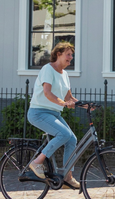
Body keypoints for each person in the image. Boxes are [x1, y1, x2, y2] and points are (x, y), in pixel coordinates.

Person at [25, 42, 80, 190]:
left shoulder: (65, 75)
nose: (71, 57)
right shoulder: (48, 69)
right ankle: (37, 162)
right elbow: (47, 93)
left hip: (54, 113)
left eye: (72, 55)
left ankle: (67, 176)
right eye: (68, 54)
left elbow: (70, 98)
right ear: (58, 54)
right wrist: (62, 103)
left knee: (72, 139)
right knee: (63, 134)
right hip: (39, 112)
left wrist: (86, 105)